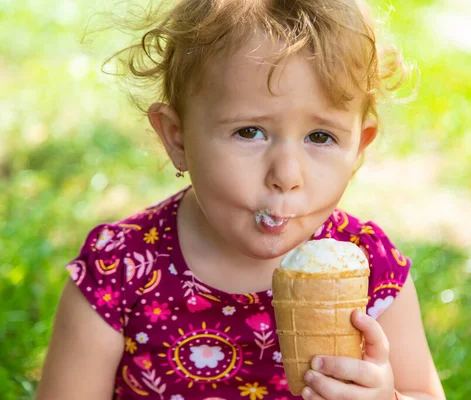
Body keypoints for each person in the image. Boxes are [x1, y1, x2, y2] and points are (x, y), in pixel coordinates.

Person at [36, 0, 445, 399]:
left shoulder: (369, 268)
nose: (286, 176)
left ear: (359, 147)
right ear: (176, 137)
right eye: (250, 132)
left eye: (320, 137)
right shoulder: (119, 269)